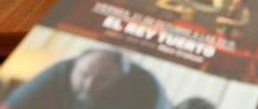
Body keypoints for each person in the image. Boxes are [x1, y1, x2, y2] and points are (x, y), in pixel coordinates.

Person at [2, 48, 170, 109]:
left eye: (101, 79)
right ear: (74, 68)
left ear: (119, 81)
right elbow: (12, 106)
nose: (89, 84)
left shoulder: (146, 91)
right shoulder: (62, 70)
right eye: (83, 75)